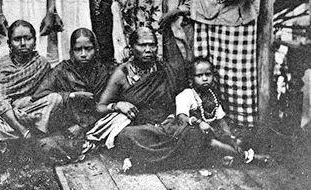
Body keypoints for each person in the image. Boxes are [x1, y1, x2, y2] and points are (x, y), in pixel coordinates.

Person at [83, 27, 203, 169]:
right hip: (139, 129)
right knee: (126, 136)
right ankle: (171, 159)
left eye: (152, 45)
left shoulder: (164, 69)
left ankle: (143, 162)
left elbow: (179, 100)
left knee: (193, 134)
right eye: (142, 45)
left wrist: (172, 117)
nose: (148, 49)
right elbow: (100, 106)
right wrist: (118, 105)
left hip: (166, 125)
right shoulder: (122, 73)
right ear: (131, 48)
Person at [0, 20, 63, 153]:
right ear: (10, 43)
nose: (23, 43)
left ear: (34, 41)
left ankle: (36, 141)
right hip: (10, 115)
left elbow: (47, 91)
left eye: (27, 39)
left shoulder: (42, 63)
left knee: (55, 99)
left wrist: (27, 101)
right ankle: (20, 145)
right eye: (17, 39)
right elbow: (1, 102)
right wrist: (22, 129)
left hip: (33, 113)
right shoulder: (3, 64)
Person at [176, 58, 269, 165]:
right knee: (213, 143)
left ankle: (230, 156)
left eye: (208, 74)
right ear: (191, 79)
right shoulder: (186, 95)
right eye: (199, 76)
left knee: (236, 139)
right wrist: (199, 122)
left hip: (210, 132)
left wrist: (230, 137)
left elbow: (221, 120)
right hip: (192, 135)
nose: (205, 78)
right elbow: (181, 117)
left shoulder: (212, 95)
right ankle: (250, 157)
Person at [33, 28, 109, 137]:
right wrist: (71, 96)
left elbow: (103, 104)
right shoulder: (61, 70)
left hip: (94, 122)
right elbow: (39, 95)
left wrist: (82, 126)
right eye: (78, 49)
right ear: (71, 52)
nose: (83, 54)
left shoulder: (102, 71)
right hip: (65, 124)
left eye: (88, 49)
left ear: (96, 49)